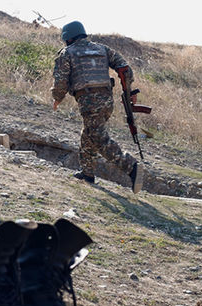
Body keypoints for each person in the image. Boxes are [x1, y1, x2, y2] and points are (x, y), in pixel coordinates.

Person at [51, 20, 144, 194]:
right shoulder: (102, 49)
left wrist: (57, 98)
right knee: (89, 134)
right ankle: (87, 173)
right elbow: (124, 68)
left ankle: (131, 167)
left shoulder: (67, 53)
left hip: (89, 101)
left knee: (98, 138)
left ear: (68, 38)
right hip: (107, 101)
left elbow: (60, 81)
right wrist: (129, 89)